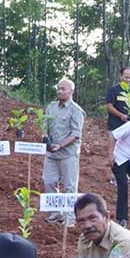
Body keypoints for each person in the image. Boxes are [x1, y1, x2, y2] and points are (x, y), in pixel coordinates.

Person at [42, 78, 85, 223]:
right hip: (51, 154)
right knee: (49, 182)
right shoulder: (51, 107)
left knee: (69, 186)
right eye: (58, 88)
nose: (59, 91)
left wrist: (60, 145)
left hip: (68, 154)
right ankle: (56, 213)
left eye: (63, 89)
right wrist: (45, 136)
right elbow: (45, 125)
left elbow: (76, 134)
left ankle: (70, 217)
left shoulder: (76, 110)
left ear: (71, 92)